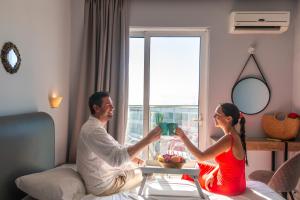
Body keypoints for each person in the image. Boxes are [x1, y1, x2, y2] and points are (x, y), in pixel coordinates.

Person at [76, 91, 161, 196]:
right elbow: (117, 160)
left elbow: (117, 148)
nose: (112, 107)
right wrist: (148, 139)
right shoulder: (93, 131)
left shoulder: (94, 127)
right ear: (96, 108)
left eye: (112, 105)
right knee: (148, 173)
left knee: (137, 166)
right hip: (105, 186)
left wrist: (135, 159)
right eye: (108, 105)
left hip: (103, 179)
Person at [177, 103, 247, 196]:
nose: (214, 116)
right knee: (197, 166)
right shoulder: (235, 135)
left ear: (228, 119)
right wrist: (213, 173)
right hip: (239, 185)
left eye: (217, 115)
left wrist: (183, 137)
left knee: (189, 172)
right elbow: (231, 164)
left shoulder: (228, 139)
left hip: (227, 187)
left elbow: (201, 157)